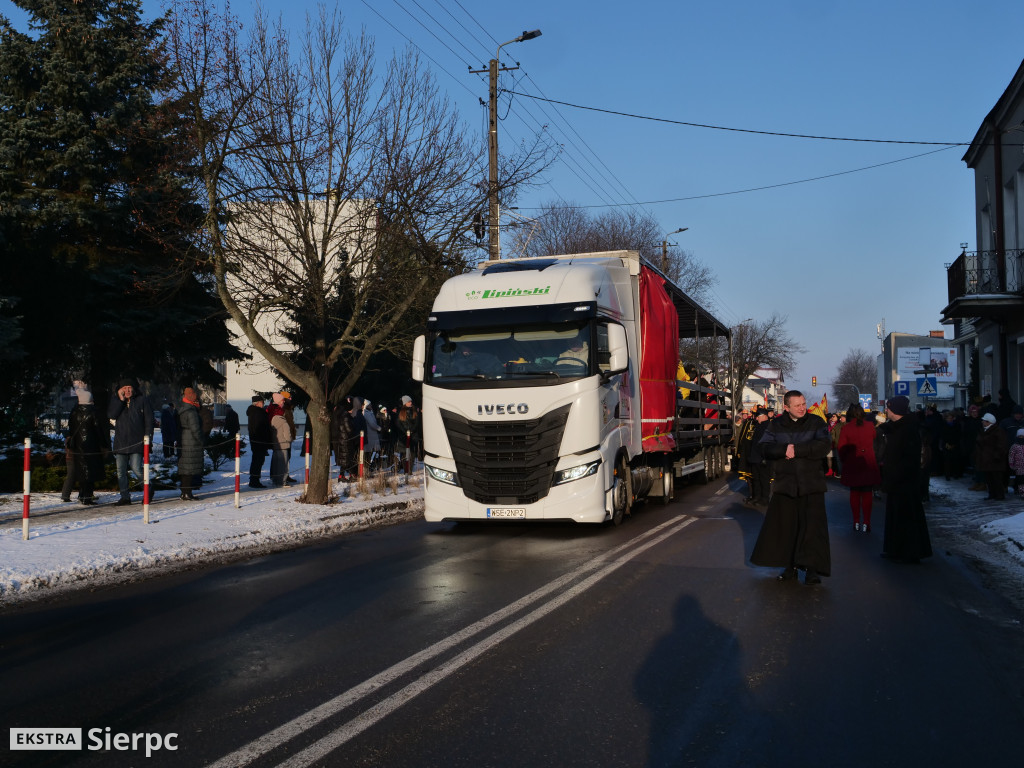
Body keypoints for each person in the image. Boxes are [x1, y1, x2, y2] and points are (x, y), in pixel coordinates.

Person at [750, 390, 832, 585]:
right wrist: (782, 450)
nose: (802, 408)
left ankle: (812, 569)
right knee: (786, 529)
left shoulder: (817, 423)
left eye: (803, 403)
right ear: (786, 408)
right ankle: (790, 567)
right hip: (785, 485)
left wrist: (797, 450)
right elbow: (763, 447)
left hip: (811, 485)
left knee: (812, 529)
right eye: (797, 405)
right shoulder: (775, 424)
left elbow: (824, 445)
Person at [878, 396, 932, 562]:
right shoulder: (894, 428)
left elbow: (910, 458)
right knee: (895, 517)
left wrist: (897, 475)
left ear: (896, 410)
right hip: (896, 480)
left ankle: (911, 552)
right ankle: (895, 549)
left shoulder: (908, 429)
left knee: (907, 519)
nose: (886, 410)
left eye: (889, 408)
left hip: (905, 481)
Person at [108, 377, 154, 506]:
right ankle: (125, 497)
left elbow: (149, 420)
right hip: (121, 441)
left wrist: (147, 437)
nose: (127, 390)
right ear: (120, 390)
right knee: (121, 472)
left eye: (129, 388)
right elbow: (111, 415)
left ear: (134, 389)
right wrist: (121, 401)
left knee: (136, 468)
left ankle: (149, 489)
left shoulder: (142, 400)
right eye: (124, 388)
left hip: (137, 441)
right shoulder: (116, 401)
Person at [61, 383, 108, 505]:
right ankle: (87, 496)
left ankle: (82, 494)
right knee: (90, 472)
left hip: (77, 447)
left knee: (81, 471)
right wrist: (104, 444)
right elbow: (98, 430)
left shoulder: (74, 412)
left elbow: (71, 430)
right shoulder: (93, 412)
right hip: (91, 446)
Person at [837, 403, 881, 533]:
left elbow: (841, 448)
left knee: (854, 493)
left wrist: (845, 460)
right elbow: (873, 438)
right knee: (867, 493)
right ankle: (866, 522)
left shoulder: (846, 428)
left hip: (853, 462)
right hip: (868, 462)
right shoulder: (870, 426)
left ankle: (856, 521)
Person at [176, 387, 204, 500]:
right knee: (189, 469)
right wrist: (201, 441)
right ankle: (187, 493)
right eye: (193, 394)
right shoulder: (191, 411)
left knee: (185, 468)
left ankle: (184, 492)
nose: (196, 396)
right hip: (191, 442)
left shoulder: (182, 409)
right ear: (190, 395)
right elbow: (195, 428)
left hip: (184, 440)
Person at [976, 412, 1008, 500]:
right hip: (986, 459)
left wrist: (997, 456)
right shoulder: (984, 430)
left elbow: (1001, 445)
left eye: (984, 421)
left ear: (988, 422)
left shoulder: (998, 431)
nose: (982, 422)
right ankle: (992, 494)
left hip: (994, 460)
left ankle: (999, 495)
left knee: (996, 479)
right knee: (989, 479)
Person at [743, 407, 772, 507]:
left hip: (763, 458)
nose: (756, 419)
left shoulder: (768, 427)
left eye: (758, 417)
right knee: (756, 479)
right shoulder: (758, 426)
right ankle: (757, 497)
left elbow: (768, 443)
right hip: (755, 458)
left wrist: (765, 457)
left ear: (764, 416)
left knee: (764, 480)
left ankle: (765, 499)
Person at [268, 393, 295, 486]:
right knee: (283, 462)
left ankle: (276, 478)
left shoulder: (273, 417)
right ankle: (282, 480)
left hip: (276, 442)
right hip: (283, 443)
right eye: (287, 398)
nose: (289, 399)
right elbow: (287, 432)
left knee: (277, 462)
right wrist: (289, 439)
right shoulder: (282, 418)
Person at [246, 395, 272, 488]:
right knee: (258, 461)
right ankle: (254, 480)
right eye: (262, 402)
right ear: (258, 403)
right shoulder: (258, 413)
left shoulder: (253, 412)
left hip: (256, 440)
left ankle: (254, 479)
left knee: (257, 460)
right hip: (259, 441)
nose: (263, 404)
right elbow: (260, 427)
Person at [1009, 428, 1024, 496]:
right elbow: (1011, 456)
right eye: (1020, 436)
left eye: (1023, 437)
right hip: (1019, 466)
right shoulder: (1014, 446)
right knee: (1020, 479)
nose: (1021, 438)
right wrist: (1011, 464)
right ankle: (1022, 492)